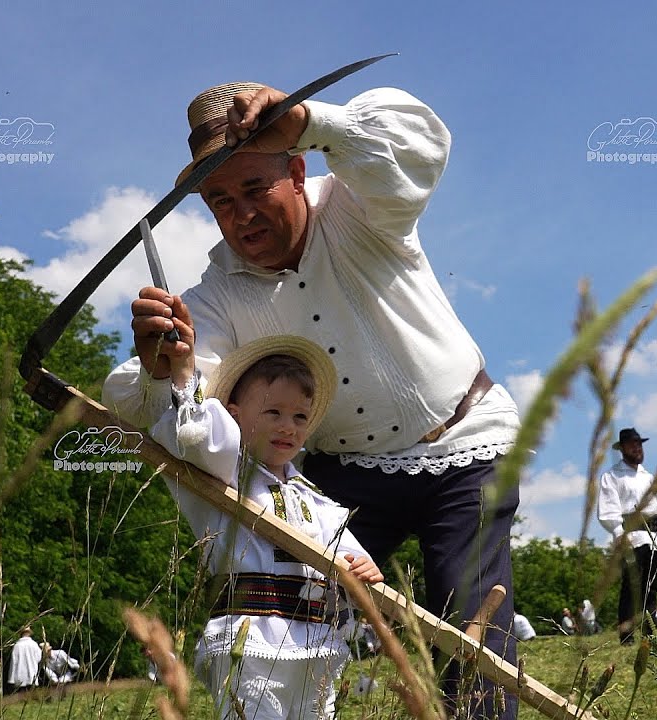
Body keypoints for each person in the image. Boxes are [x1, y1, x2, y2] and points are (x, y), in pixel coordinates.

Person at [104, 81, 522, 718]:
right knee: (288, 605)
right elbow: (181, 407)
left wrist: (311, 120)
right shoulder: (217, 297)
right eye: (219, 200)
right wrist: (168, 369)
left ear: (297, 170)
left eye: (253, 190)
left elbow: (419, 150)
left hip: (460, 448)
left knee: (471, 628)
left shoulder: (358, 208)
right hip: (339, 476)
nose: (240, 215)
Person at [149, 333, 383, 719]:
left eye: (300, 417)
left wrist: (362, 566)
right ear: (235, 415)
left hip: (315, 644)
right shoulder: (225, 476)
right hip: (251, 639)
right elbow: (196, 438)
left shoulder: (314, 498)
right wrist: (185, 371)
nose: (287, 426)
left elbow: (346, 551)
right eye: (273, 412)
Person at [597, 428, 657, 644]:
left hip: (653, 536)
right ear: (622, 448)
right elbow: (608, 509)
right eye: (632, 444)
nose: (637, 448)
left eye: (639, 444)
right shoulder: (612, 476)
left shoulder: (649, 477)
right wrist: (620, 534)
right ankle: (627, 635)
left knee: (651, 586)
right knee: (632, 587)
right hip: (631, 535)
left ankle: (648, 632)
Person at [7, 627, 41, 693]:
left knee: (20, 693)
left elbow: (14, 662)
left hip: (19, 673)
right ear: (29, 633)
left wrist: (11, 677)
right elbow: (38, 658)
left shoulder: (17, 645)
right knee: (30, 693)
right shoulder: (34, 644)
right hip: (32, 672)